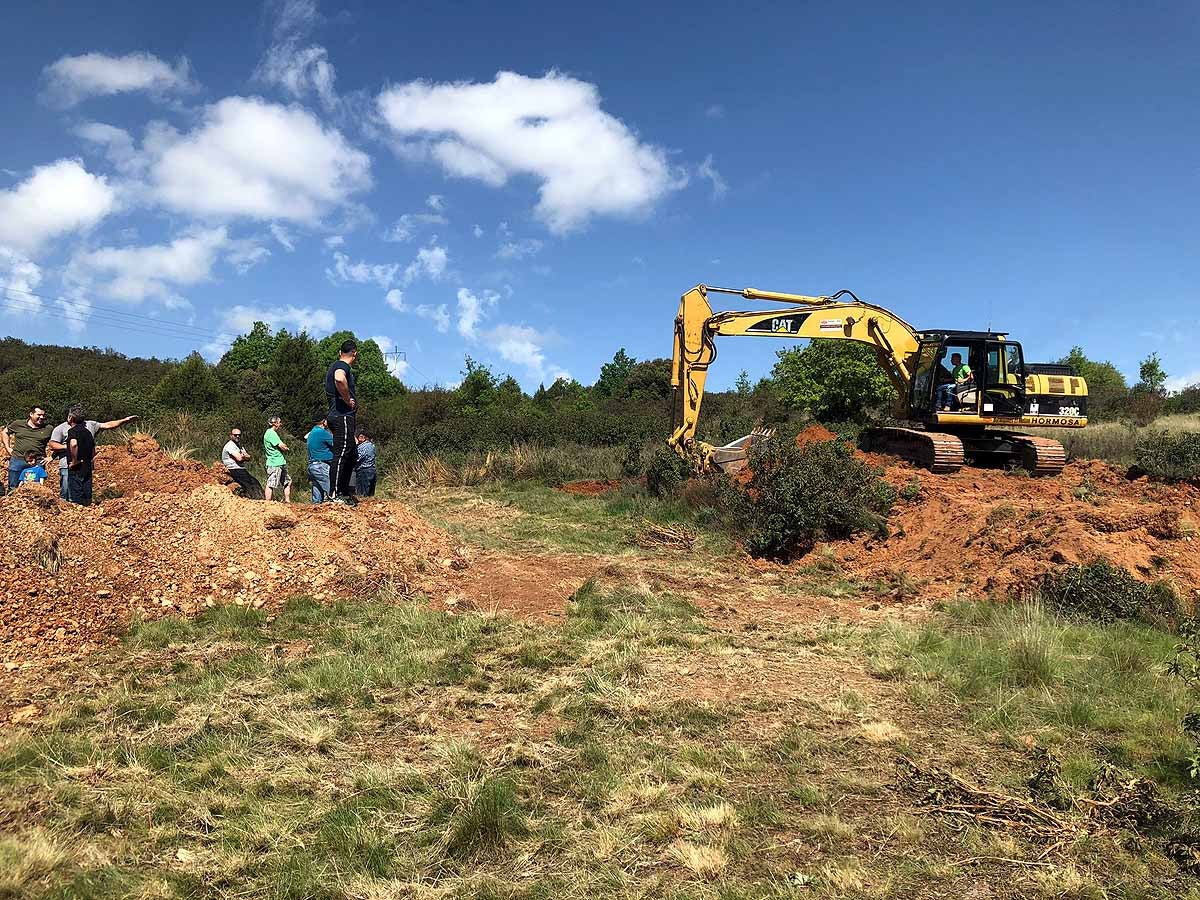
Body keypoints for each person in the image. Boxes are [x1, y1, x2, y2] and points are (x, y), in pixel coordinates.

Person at [49, 405, 137, 500]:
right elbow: (53, 444)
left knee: (81, 493)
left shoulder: (91, 425)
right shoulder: (61, 428)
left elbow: (108, 424)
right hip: (68, 465)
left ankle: (81, 506)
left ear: (70, 417)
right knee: (67, 492)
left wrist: (124, 420)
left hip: (85, 465)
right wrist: (68, 447)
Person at [325, 339, 359, 506]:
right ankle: (334, 494)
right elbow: (339, 379)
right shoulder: (341, 366)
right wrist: (347, 399)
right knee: (342, 453)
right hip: (342, 415)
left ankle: (344, 491)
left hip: (341, 417)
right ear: (354, 353)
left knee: (351, 454)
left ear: (340, 352)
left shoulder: (338, 365)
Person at [3, 406, 52, 492]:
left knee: (37, 487)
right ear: (31, 414)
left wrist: (51, 457)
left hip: (37, 461)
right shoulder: (18, 424)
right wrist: (8, 448)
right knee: (13, 487)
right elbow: (5, 432)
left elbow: (57, 441)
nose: (42, 417)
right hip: (18, 458)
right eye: (39, 415)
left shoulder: (48, 428)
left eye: (43, 415)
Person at [221, 427, 264, 499]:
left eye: (239, 435)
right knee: (249, 484)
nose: (237, 436)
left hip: (240, 468)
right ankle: (255, 499)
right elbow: (239, 459)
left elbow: (249, 457)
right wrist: (244, 456)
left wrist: (244, 456)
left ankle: (261, 498)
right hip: (234, 469)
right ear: (231, 435)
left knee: (255, 482)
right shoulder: (230, 445)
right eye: (235, 435)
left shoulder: (239, 445)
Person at [66, 414, 97, 505]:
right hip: (87, 465)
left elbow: (73, 444)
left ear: (71, 418)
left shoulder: (72, 431)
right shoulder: (88, 432)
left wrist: (74, 461)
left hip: (77, 467)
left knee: (77, 495)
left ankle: (79, 510)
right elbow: (93, 449)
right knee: (87, 492)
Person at [263, 415, 291, 503]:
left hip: (279, 462)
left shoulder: (271, 433)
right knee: (271, 483)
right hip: (274, 462)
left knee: (287, 481)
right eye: (279, 422)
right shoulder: (271, 433)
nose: (280, 424)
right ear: (275, 423)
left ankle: (287, 501)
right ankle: (267, 503)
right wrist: (286, 448)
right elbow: (282, 446)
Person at [305, 417, 334, 503]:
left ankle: (316, 507)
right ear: (323, 421)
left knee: (317, 496)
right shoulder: (322, 432)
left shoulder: (312, 432)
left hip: (313, 466)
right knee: (332, 492)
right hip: (321, 465)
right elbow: (337, 444)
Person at [354, 428, 377, 497]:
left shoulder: (364, 446)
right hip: (370, 470)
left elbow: (357, 458)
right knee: (369, 494)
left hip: (364, 471)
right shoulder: (371, 445)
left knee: (362, 494)